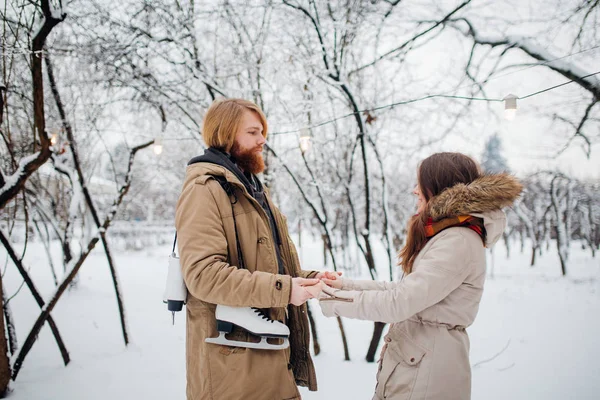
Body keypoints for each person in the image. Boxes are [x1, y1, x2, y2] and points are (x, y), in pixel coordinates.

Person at [319, 152, 522, 400]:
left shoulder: (457, 240)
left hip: (426, 377)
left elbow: (399, 303)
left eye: (420, 184)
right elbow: (403, 291)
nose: (415, 191)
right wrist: (343, 285)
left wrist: (332, 300)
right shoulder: (449, 235)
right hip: (418, 365)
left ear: (439, 187)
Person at [176, 98, 333, 399]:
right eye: (253, 133)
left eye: (262, 132)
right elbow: (203, 275)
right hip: (232, 369)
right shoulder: (204, 190)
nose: (263, 140)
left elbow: (271, 269)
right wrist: (285, 289)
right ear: (225, 135)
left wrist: (310, 280)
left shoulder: (252, 188)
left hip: (268, 355)